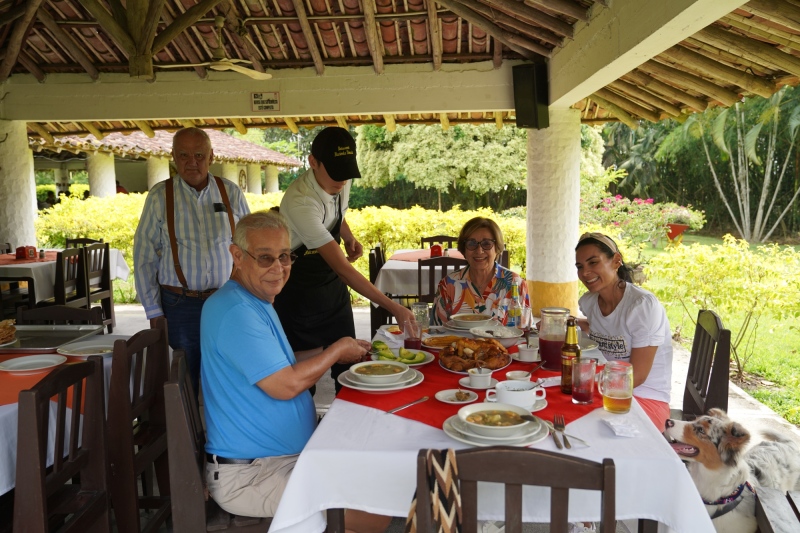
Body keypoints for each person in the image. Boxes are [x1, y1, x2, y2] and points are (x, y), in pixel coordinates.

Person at [201, 211, 390, 533]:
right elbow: (285, 385)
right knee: (370, 509)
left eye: (285, 256)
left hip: (282, 458)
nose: (279, 268)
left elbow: (284, 364)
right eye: (265, 258)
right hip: (251, 476)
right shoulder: (235, 310)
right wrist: (334, 352)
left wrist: (335, 348)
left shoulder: (254, 300)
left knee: (378, 464)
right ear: (237, 256)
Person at [274, 127, 414, 389]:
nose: (342, 181)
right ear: (313, 162)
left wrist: (347, 236)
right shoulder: (300, 201)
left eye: (346, 172)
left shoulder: (341, 180)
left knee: (349, 370)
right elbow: (343, 270)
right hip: (299, 295)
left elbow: (336, 211)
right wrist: (394, 308)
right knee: (305, 380)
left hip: (332, 294)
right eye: (336, 172)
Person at [133, 127, 249, 394]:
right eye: (183, 155)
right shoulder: (160, 196)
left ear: (211, 156)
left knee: (228, 371)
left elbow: (248, 246)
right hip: (179, 304)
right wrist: (153, 311)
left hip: (226, 299)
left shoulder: (229, 192)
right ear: (173, 156)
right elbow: (144, 256)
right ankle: (191, 433)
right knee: (185, 376)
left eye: (199, 154)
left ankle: (222, 429)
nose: (191, 162)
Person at [574, 232, 672, 429]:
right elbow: (599, 326)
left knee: (583, 424)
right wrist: (564, 322)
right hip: (608, 391)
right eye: (580, 266)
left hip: (645, 397)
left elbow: (637, 376)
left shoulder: (641, 306)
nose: (585, 273)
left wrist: (587, 380)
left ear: (616, 260)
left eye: (593, 262)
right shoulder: (590, 302)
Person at [432, 217, 529, 325]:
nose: (479, 250)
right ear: (464, 249)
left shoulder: (516, 284)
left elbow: (524, 333)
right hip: (457, 342)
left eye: (487, 244)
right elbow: (437, 332)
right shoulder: (448, 285)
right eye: (471, 243)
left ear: (497, 248)